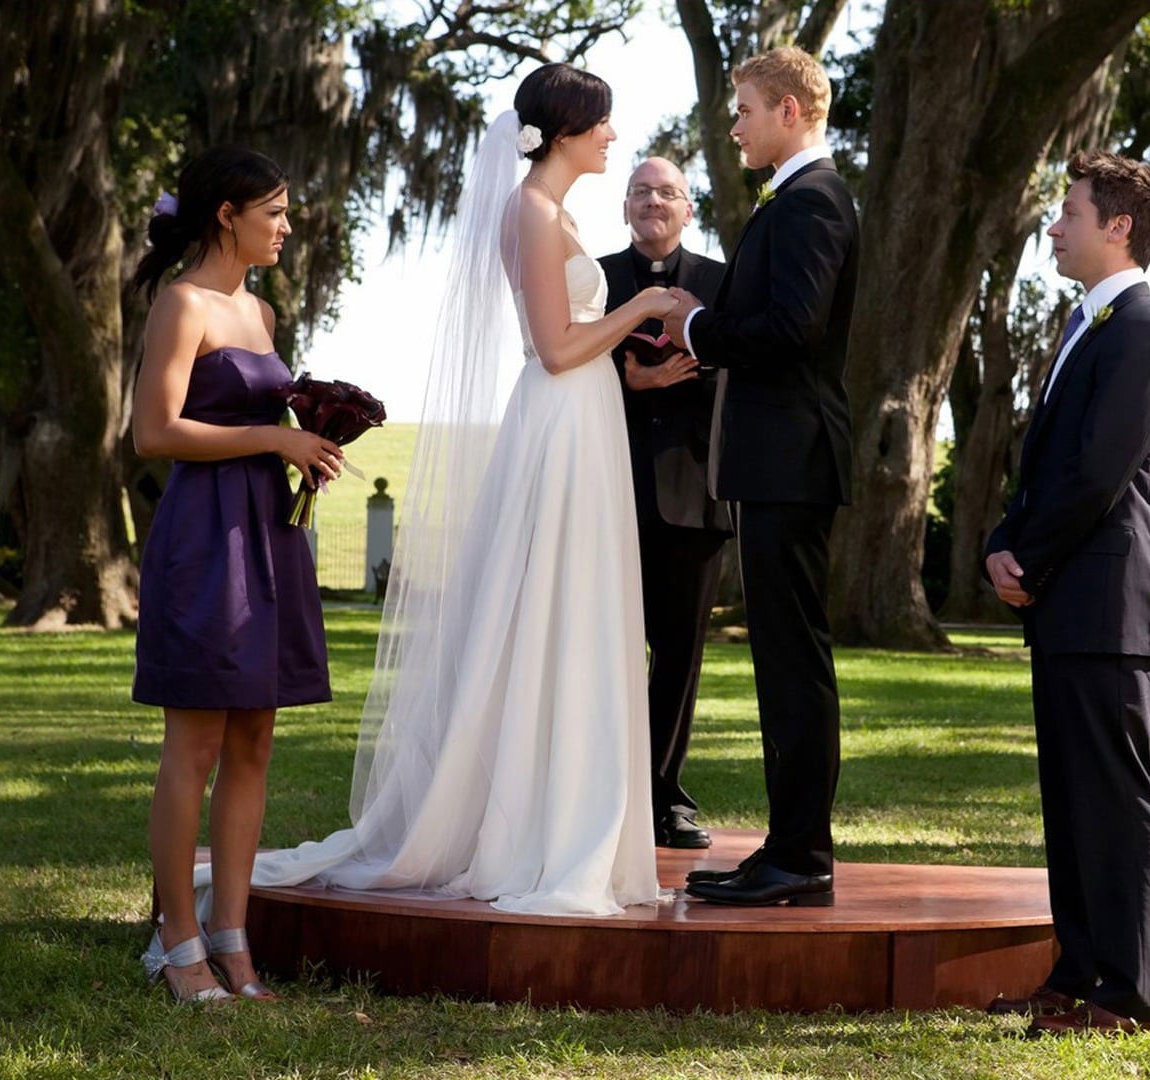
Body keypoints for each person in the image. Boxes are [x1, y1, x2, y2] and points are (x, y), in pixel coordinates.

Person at [202, 63, 678, 917]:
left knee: (583, 608)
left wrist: (636, 375)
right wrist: (641, 302)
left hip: (590, 421)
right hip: (559, 425)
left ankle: (575, 809)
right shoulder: (531, 211)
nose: (613, 135)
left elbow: (580, 350)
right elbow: (555, 348)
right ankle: (530, 824)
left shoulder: (560, 211)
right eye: (602, 122)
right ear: (564, 130)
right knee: (548, 611)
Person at [129, 146, 343, 1002]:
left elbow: (261, 415)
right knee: (198, 742)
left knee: (256, 737)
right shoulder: (182, 304)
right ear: (228, 215)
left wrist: (308, 445)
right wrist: (272, 436)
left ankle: (232, 935)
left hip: (268, 535)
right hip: (204, 538)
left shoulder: (256, 311)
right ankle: (176, 942)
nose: (288, 227)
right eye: (276, 213)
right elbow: (154, 432)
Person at [981, 150, 1150, 1036]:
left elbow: (1100, 473)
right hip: (1070, 602)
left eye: (1068, 212)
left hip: (1111, 606)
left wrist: (1030, 555)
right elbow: (1047, 468)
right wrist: (999, 542)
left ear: (1119, 227)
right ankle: (1076, 974)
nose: (1054, 227)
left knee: (1114, 801)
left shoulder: (1142, 330)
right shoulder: (1081, 325)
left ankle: (1132, 995)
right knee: (1068, 802)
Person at [660, 46, 859, 908]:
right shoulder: (794, 198)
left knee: (794, 663)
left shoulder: (812, 202)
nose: (733, 125)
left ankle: (800, 857)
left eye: (743, 110)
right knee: (783, 660)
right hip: (776, 461)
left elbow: (791, 330)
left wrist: (697, 325)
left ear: (790, 110)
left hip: (793, 459)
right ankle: (789, 849)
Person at [597, 156, 730, 850]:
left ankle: (663, 797)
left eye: (668, 193)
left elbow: (743, 370)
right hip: (601, 492)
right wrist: (636, 384)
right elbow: (563, 366)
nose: (654, 202)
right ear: (625, 207)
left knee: (678, 656)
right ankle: (596, 794)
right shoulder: (594, 278)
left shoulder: (719, 282)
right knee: (599, 650)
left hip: (694, 497)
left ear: (688, 209)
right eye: (641, 192)